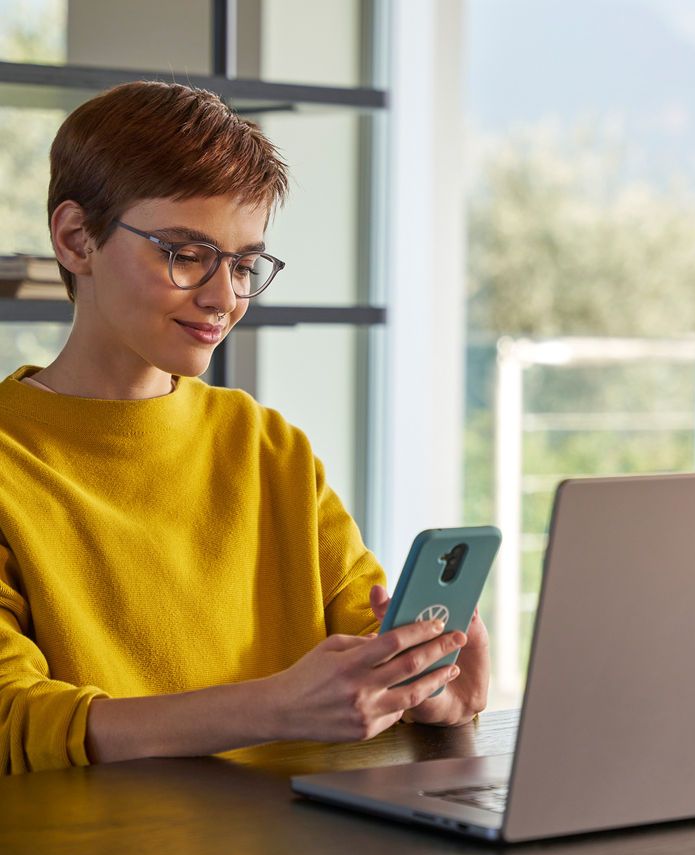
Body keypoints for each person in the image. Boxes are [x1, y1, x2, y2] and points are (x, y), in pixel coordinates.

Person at [0, 81, 489, 775]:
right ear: (77, 238)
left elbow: (361, 637)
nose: (223, 297)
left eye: (243, 263)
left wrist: (424, 686)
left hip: (303, 852)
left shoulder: (269, 446)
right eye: (185, 253)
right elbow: (11, 720)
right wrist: (272, 707)